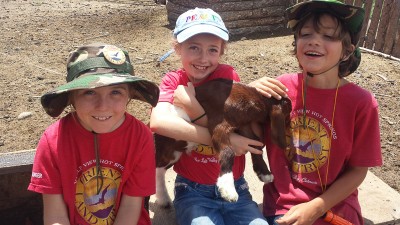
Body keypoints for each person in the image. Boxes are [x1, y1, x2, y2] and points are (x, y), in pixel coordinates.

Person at [249, 1, 383, 225]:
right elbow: (248, 136)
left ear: (347, 51)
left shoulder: (362, 103)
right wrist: (249, 93)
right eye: (306, 34)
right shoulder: (279, 89)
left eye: (329, 36)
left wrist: (316, 207)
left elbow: (359, 171)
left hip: (336, 207)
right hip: (285, 205)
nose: (314, 40)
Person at [150, 7, 269, 225]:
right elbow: (158, 122)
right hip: (192, 189)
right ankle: (160, 188)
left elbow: (235, 118)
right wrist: (228, 140)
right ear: (178, 47)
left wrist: (192, 107)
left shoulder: (226, 75)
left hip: (237, 185)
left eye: (213, 50)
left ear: (222, 51)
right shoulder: (172, 81)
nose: (203, 58)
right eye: (194, 47)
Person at [28, 43, 160, 225]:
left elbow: (131, 205)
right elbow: (55, 215)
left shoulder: (140, 136)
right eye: (89, 92)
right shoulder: (53, 140)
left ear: (129, 95)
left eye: (115, 92)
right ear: (72, 97)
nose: (102, 106)